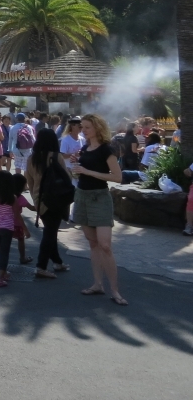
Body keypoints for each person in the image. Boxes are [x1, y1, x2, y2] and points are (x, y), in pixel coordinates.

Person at [71, 114, 126, 305]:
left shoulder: (107, 149)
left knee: (105, 246)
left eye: (87, 127)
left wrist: (87, 171)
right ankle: (97, 284)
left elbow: (117, 177)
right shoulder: (85, 148)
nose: (83, 130)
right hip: (82, 196)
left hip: (100, 198)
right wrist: (77, 166)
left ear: (98, 128)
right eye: (82, 127)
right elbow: (82, 173)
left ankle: (115, 291)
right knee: (93, 243)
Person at [26, 129, 73, 278]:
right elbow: (67, 178)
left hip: (40, 199)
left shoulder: (31, 159)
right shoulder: (56, 157)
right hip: (56, 198)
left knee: (50, 231)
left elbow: (30, 181)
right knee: (50, 233)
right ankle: (41, 266)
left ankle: (58, 262)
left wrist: (35, 199)